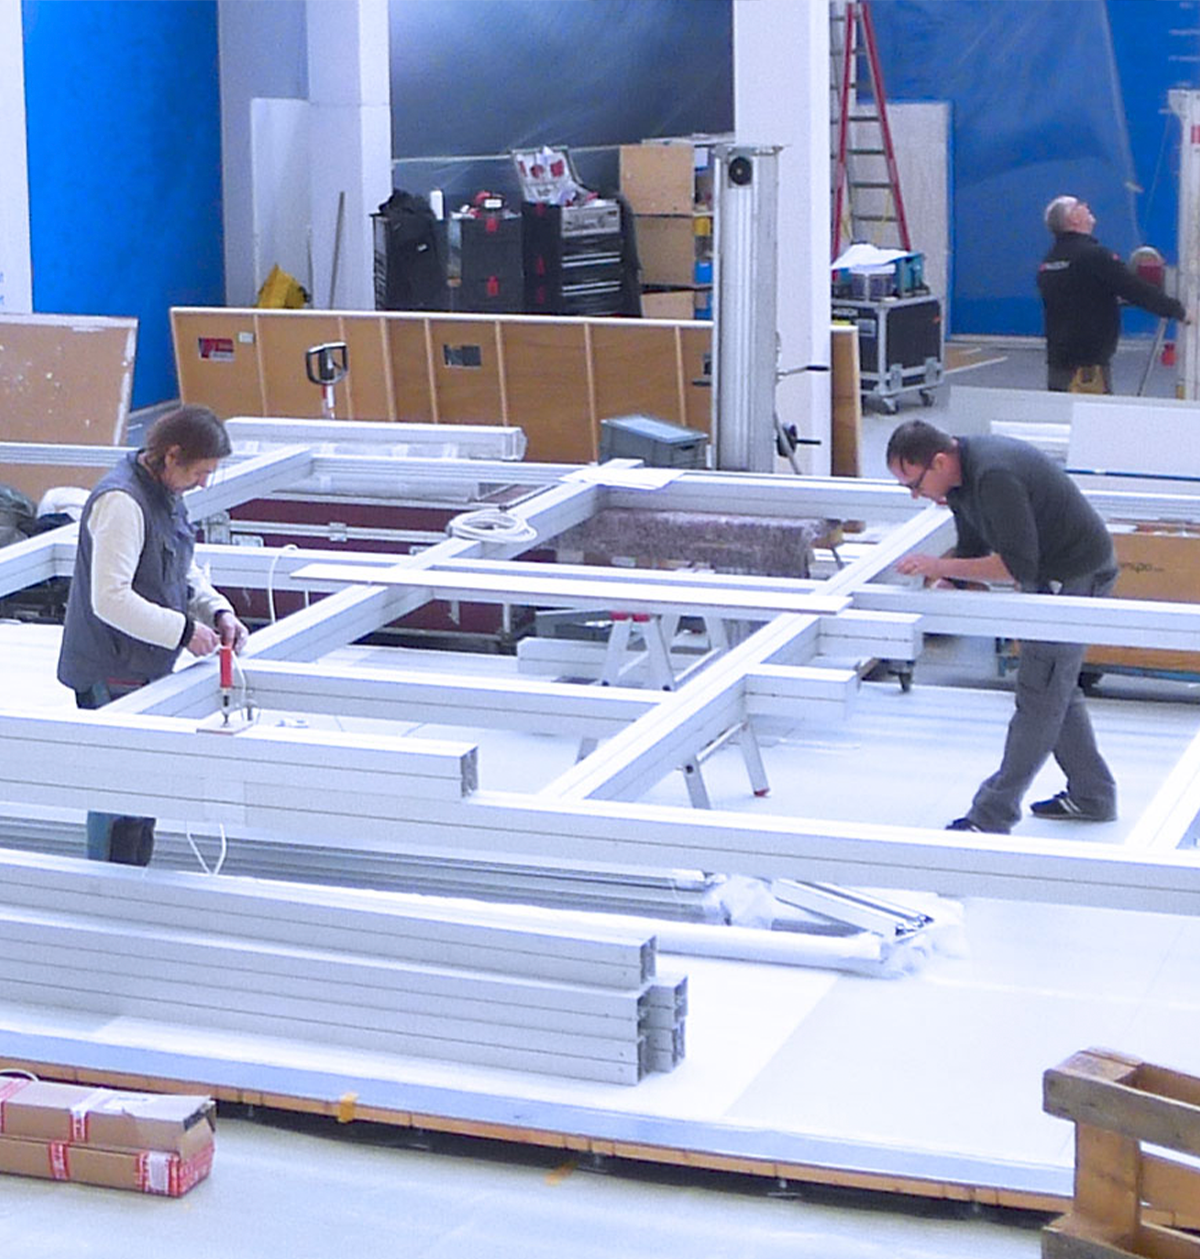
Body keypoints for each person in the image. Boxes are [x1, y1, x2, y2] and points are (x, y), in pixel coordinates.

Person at [885, 419, 1118, 834]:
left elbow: (1015, 566)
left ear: (939, 462)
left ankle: (991, 815)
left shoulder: (994, 476)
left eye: (915, 485)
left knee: (1040, 695)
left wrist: (939, 566)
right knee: (1053, 688)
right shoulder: (959, 482)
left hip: (1076, 573)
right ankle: (1092, 795)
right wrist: (950, 582)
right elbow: (973, 545)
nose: (916, 495)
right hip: (1052, 573)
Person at [57, 405, 249, 866]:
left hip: (145, 664)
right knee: (119, 792)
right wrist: (183, 631)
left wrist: (216, 609)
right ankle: (106, 887)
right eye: (199, 472)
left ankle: (132, 883)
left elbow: (180, 568)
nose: (203, 483)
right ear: (172, 455)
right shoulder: (122, 503)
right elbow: (111, 599)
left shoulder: (164, 491)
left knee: (145, 790)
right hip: (112, 668)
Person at [1038, 195, 1187, 393]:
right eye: (1079, 205)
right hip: (1087, 369)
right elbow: (1134, 289)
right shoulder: (1094, 256)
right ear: (1073, 218)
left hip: (1058, 362)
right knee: (1092, 412)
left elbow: (1082, 296)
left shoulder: (1049, 262)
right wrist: (1180, 311)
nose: (1086, 205)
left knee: (1062, 410)